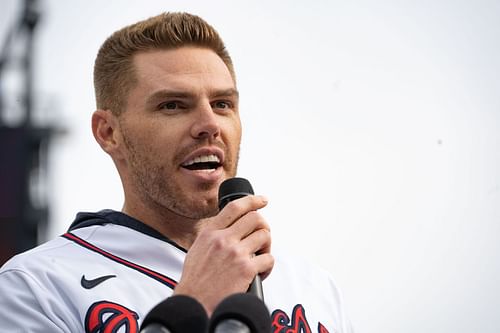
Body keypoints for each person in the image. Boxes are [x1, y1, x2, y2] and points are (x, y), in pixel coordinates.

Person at [0, 12, 353, 332]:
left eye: (222, 104)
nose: (209, 124)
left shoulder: (313, 288)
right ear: (109, 133)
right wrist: (195, 302)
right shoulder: (34, 286)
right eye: (173, 105)